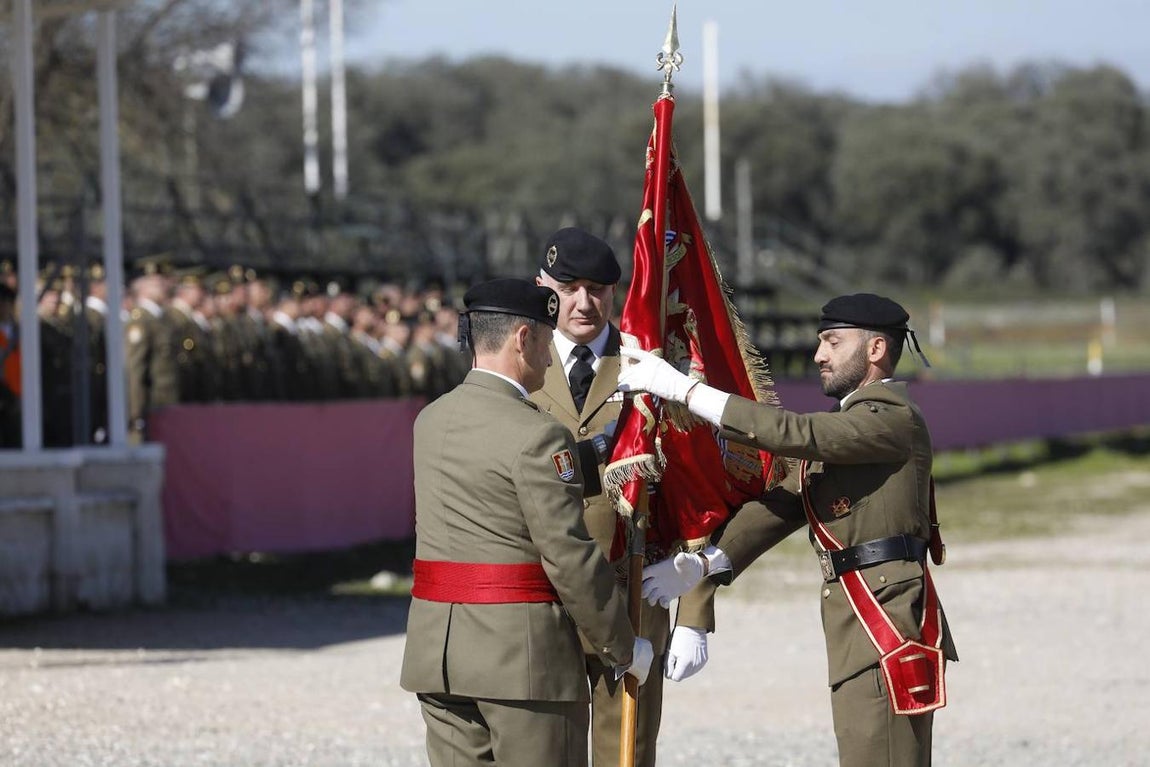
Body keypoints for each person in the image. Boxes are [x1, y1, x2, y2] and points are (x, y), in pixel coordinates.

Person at [618, 293, 958, 767]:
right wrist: (705, 564)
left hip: (884, 620)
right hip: (863, 616)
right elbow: (788, 499)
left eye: (833, 342)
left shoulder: (890, 418)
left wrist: (687, 393)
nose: (819, 354)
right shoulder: (856, 428)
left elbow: (799, 434)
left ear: (876, 350)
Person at [400, 277, 653, 767]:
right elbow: (570, 558)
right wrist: (622, 646)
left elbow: (489, 490)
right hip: (522, 663)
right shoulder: (539, 435)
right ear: (523, 339)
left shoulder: (430, 420)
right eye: (545, 338)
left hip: (440, 655)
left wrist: (593, 452)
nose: (549, 355)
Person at [531, 226, 717, 767]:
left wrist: (696, 611)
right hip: (545, 596)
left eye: (598, 289)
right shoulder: (521, 363)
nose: (584, 303)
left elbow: (694, 490)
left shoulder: (651, 365)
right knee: (546, 751)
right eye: (569, 288)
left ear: (618, 291)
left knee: (626, 755)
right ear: (544, 285)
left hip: (632, 591)